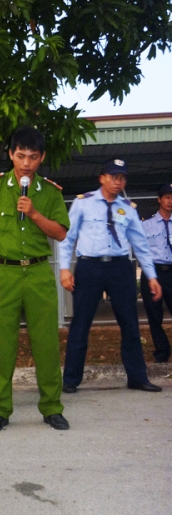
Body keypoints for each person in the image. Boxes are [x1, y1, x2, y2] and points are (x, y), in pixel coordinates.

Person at [0, 126, 70, 433]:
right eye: (21, 155)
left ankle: (52, 407)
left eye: (33, 157)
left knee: (46, 346)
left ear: (41, 159)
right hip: (3, 273)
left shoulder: (51, 193)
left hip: (39, 274)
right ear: (11, 154)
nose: (26, 163)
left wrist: (35, 214)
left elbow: (61, 232)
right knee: (0, 345)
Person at [59, 158, 162, 393]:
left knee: (130, 324)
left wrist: (152, 276)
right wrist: (64, 269)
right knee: (80, 324)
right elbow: (68, 238)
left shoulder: (127, 208)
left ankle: (137, 377)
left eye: (122, 178)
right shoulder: (83, 203)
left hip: (120, 268)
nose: (119, 182)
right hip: (89, 267)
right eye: (114, 177)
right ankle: (71, 379)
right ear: (102, 178)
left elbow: (140, 244)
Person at [140, 182, 172, 363]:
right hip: (153, 273)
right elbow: (141, 250)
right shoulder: (147, 224)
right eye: (167, 197)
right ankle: (162, 352)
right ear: (159, 200)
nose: (170, 201)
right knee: (154, 315)